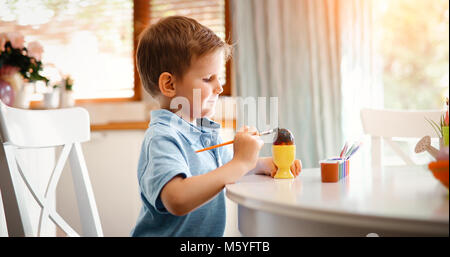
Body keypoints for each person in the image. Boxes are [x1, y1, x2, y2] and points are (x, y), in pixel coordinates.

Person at [131, 16, 302, 237]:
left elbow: (223, 169)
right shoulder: (162, 137)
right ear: (169, 84)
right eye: (208, 78)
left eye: (219, 77)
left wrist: (262, 164)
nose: (219, 87)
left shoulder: (203, 131)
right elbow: (177, 199)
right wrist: (241, 162)